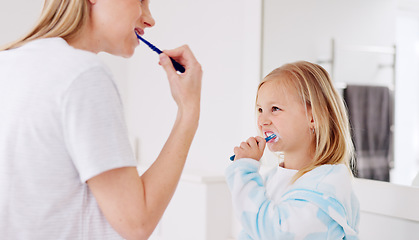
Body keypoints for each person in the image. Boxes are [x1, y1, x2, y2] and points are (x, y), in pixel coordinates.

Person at [0, 0, 202, 239]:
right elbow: (137, 223)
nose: (149, 19)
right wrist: (189, 111)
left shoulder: (7, 63)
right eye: (140, 1)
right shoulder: (84, 74)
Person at [226, 61, 359, 239]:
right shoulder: (270, 179)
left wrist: (243, 172)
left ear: (313, 118)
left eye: (275, 109)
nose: (263, 121)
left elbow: (276, 233)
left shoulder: (328, 186)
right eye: (260, 109)